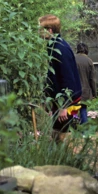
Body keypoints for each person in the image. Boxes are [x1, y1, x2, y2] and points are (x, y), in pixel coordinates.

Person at [38, 14, 82, 142]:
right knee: (57, 134)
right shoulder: (54, 46)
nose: (38, 33)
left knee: (62, 136)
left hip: (66, 103)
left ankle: (67, 161)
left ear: (50, 30)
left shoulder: (60, 48)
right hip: (60, 101)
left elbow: (67, 79)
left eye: (41, 29)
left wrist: (64, 106)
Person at [75, 42, 97, 125]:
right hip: (85, 91)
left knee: (72, 109)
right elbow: (92, 79)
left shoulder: (73, 59)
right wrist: (94, 93)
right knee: (83, 109)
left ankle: (71, 128)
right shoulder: (89, 61)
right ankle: (84, 130)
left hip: (73, 90)